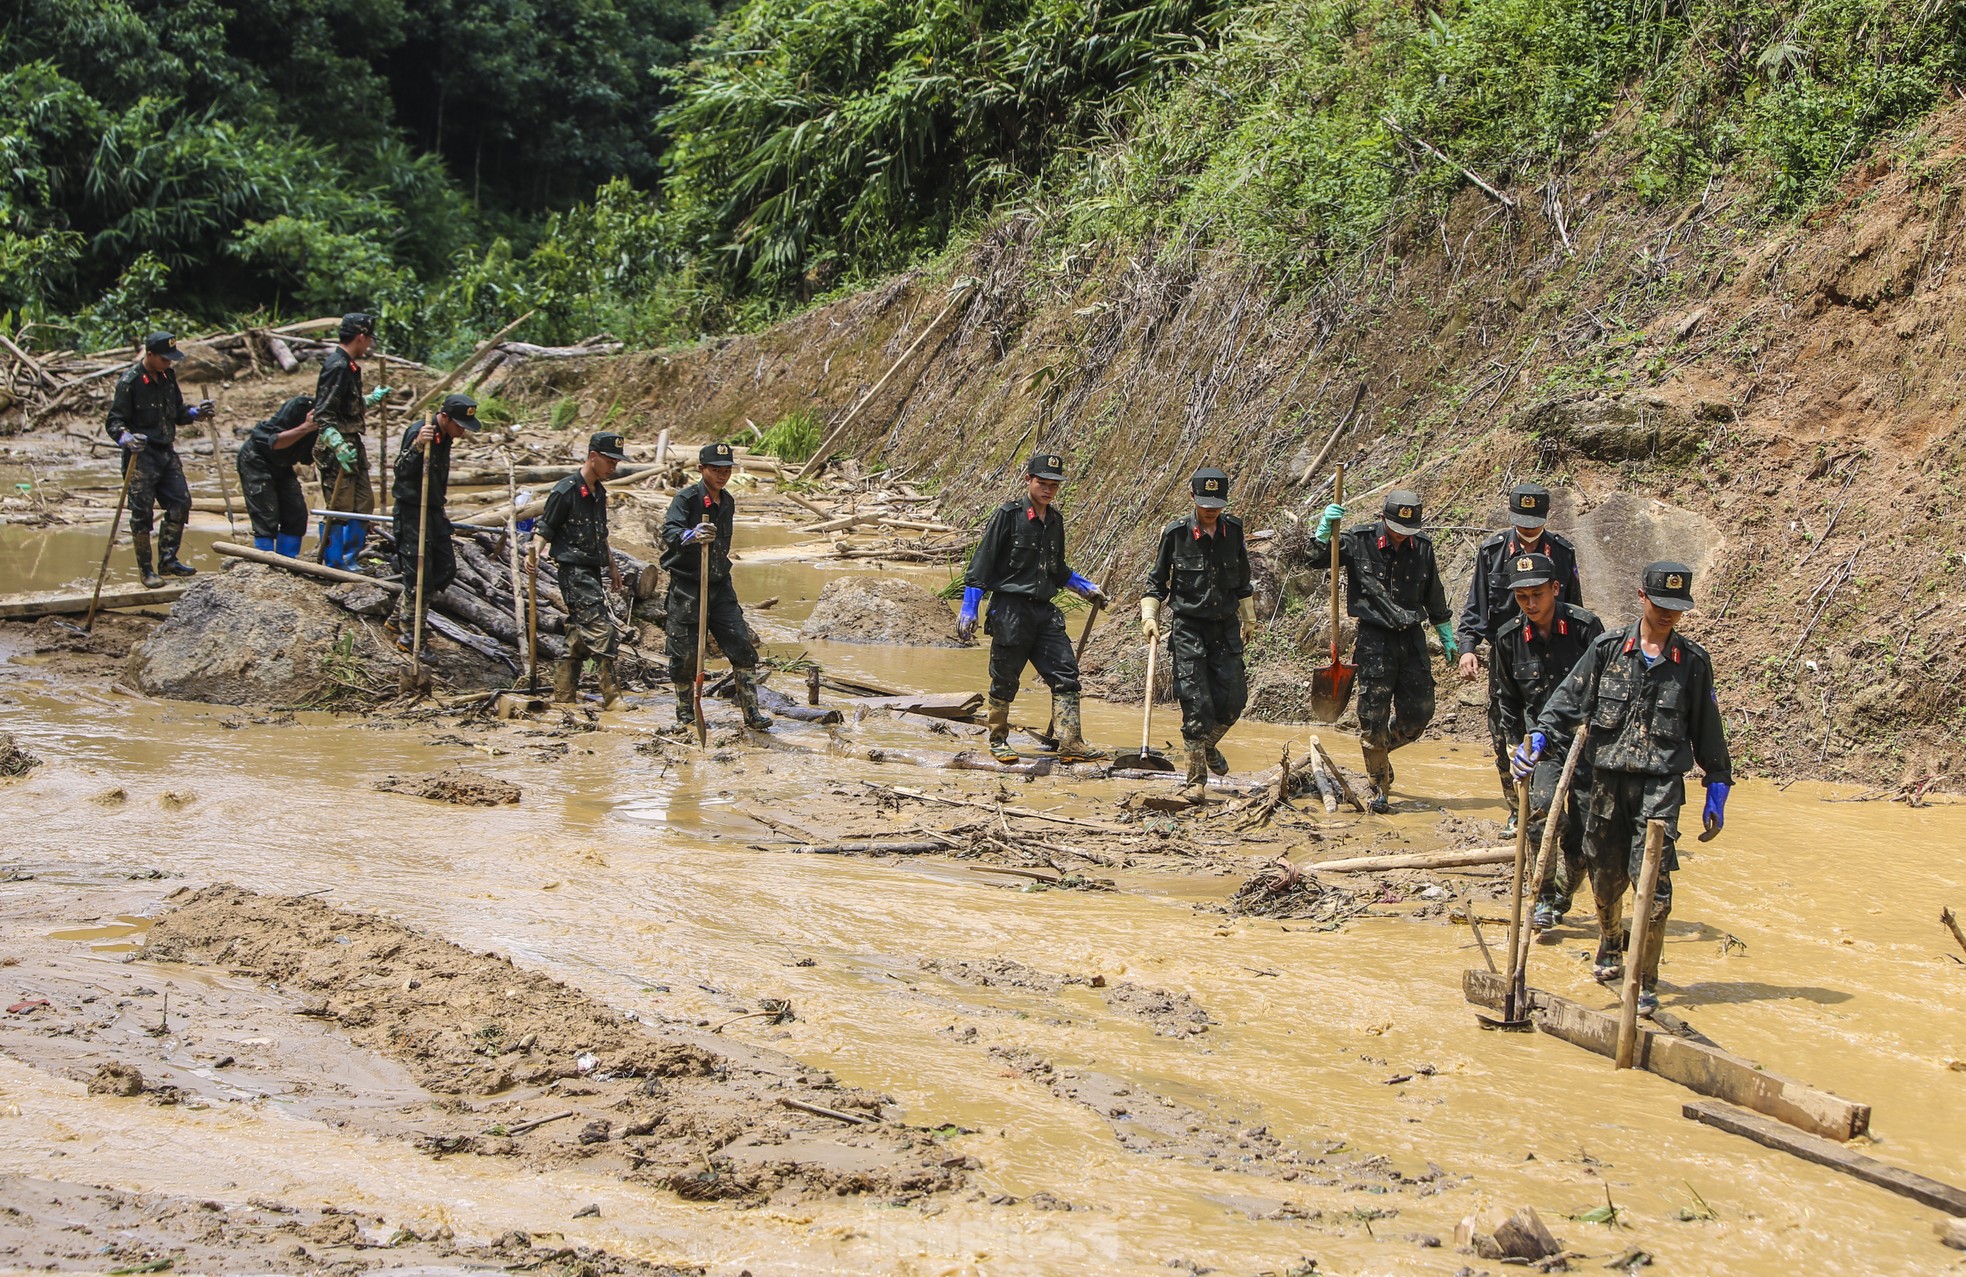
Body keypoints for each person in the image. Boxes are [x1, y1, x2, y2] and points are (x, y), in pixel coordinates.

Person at [1517, 561, 1731, 1017]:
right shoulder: (1608, 649)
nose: (1668, 614)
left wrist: (1717, 783)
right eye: (1660, 604)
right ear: (1642, 597)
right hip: (1606, 784)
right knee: (1606, 877)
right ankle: (1611, 940)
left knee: (1654, 888)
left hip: (1660, 789)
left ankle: (1644, 978)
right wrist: (1538, 738)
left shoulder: (1691, 663)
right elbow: (1564, 705)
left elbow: (1708, 730)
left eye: (1677, 607)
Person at [1310, 488, 1455, 812]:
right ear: (1382, 519)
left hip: (1412, 638)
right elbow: (1317, 559)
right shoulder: (1358, 541)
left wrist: (1445, 631)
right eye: (1395, 531)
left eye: (1408, 532)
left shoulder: (1423, 548)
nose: (1401, 538)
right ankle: (1380, 787)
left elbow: (1433, 592)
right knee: (1372, 718)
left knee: (1419, 714)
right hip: (1375, 640)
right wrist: (1324, 532)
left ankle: (1381, 749)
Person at [959, 451, 1110, 763]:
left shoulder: (1055, 521)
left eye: (1054, 485)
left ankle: (1071, 743)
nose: (1048, 489)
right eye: (1042, 482)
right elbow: (981, 564)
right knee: (1005, 678)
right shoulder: (1009, 516)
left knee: (1066, 673)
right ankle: (998, 739)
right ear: (1028, 480)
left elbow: (1058, 570)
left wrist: (1085, 588)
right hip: (1010, 612)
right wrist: (970, 607)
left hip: (1044, 612)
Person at [1489, 551, 1603, 930]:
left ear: (1556, 588)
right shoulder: (1508, 639)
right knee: (1539, 810)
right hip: (1542, 741)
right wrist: (1512, 746)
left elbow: (1603, 687)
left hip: (1588, 740)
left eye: (1538, 594)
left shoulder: (1587, 629)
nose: (1531, 604)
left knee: (1589, 832)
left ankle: (1565, 893)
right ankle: (1545, 897)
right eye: (1522, 597)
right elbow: (1506, 698)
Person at [1456, 482, 1585, 813]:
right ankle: (1518, 809)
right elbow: (1477, 607)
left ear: (1545, 517)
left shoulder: (1562, 553)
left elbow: (1574, 607)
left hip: (1555, 655)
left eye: (1534, 521)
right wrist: (1468, 647)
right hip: (1508, 659)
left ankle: (1559, 808)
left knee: (1560, 727)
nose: (1527, 528)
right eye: (1521, 520)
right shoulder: (1492, 552)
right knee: (1506, 734)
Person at [1142, 467, 1256, 797]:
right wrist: (1150, 618)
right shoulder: (1176, 534)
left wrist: (1249, 619)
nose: (1210, 509)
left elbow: (1243, 582)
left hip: (1225, 627)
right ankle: (1195, 783)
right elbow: (1155, 584)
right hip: (1188, 628)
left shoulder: (1233, 531)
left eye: (1217, 503)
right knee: (1196, 705)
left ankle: (1206, 745)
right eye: (1204, 501)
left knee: (1234, 701)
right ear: (1192, 497)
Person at [661, 441, 771, 731]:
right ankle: (686, 716)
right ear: (701, 469)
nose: (722, 475)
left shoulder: (728, 501)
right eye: (715, 470)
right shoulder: (686, 500)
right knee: (684, 655)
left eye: (727, 470)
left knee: (742, 646)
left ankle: (752, 713)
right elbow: (669, 531)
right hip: (688, 586)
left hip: (720, 585)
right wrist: (690, 534)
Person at [105, 332, 212, 588]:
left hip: (166, 452)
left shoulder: (167, 377)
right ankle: (146, 570)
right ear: (149, 355)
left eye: (171, 359)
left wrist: (196, 412)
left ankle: (168, 559)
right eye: (165, 359)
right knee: (141, 513)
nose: (169, 363)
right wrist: (126, 438)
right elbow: (114, 422)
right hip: (141, 457)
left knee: (180, 502)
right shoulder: (130, 382)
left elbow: (177, 411)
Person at [540, 432, 629, 707]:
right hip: (573, 571)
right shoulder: (565, 490)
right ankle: (612, 698)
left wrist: (612, 565)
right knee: (603, 631)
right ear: (593, 457)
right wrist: (532, 554)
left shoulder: (599, 493)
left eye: (616, 462)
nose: (613, 468)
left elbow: (601, 534)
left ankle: (563, 698)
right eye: (609, 461)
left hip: (592, 570)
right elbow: (546, 527)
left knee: (579, 636)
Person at [391, 395, 482, 652]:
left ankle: (398, 617)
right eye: (460, 425)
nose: (462, 431)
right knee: (419, 575)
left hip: (433, 509)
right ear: (445, 417)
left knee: (444, 568)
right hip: (412, 511)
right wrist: (419, 446)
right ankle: (410, 636)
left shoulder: (446, 438)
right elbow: (400, 470)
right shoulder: (420, 433)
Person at [312, 312, 389, 570]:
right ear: (361, 337)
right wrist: (338, 444)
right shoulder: (337, 366)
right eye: (369, 340)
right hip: (338, 447)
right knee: (340, 506)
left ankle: (350, 557)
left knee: (364, 502)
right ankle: (334, 561)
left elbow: (347, 406)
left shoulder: (350, 365)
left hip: (352, 441)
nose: (369, 346)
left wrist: (371, 399)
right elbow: (323, 413)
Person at [236, 395, 317, 557]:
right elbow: (275, 442)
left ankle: (287, 561)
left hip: (284, 463)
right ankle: (265, 563)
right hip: (257, 457)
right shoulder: (300, 406)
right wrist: (307, 427)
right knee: (266, 513)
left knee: (296, 514)